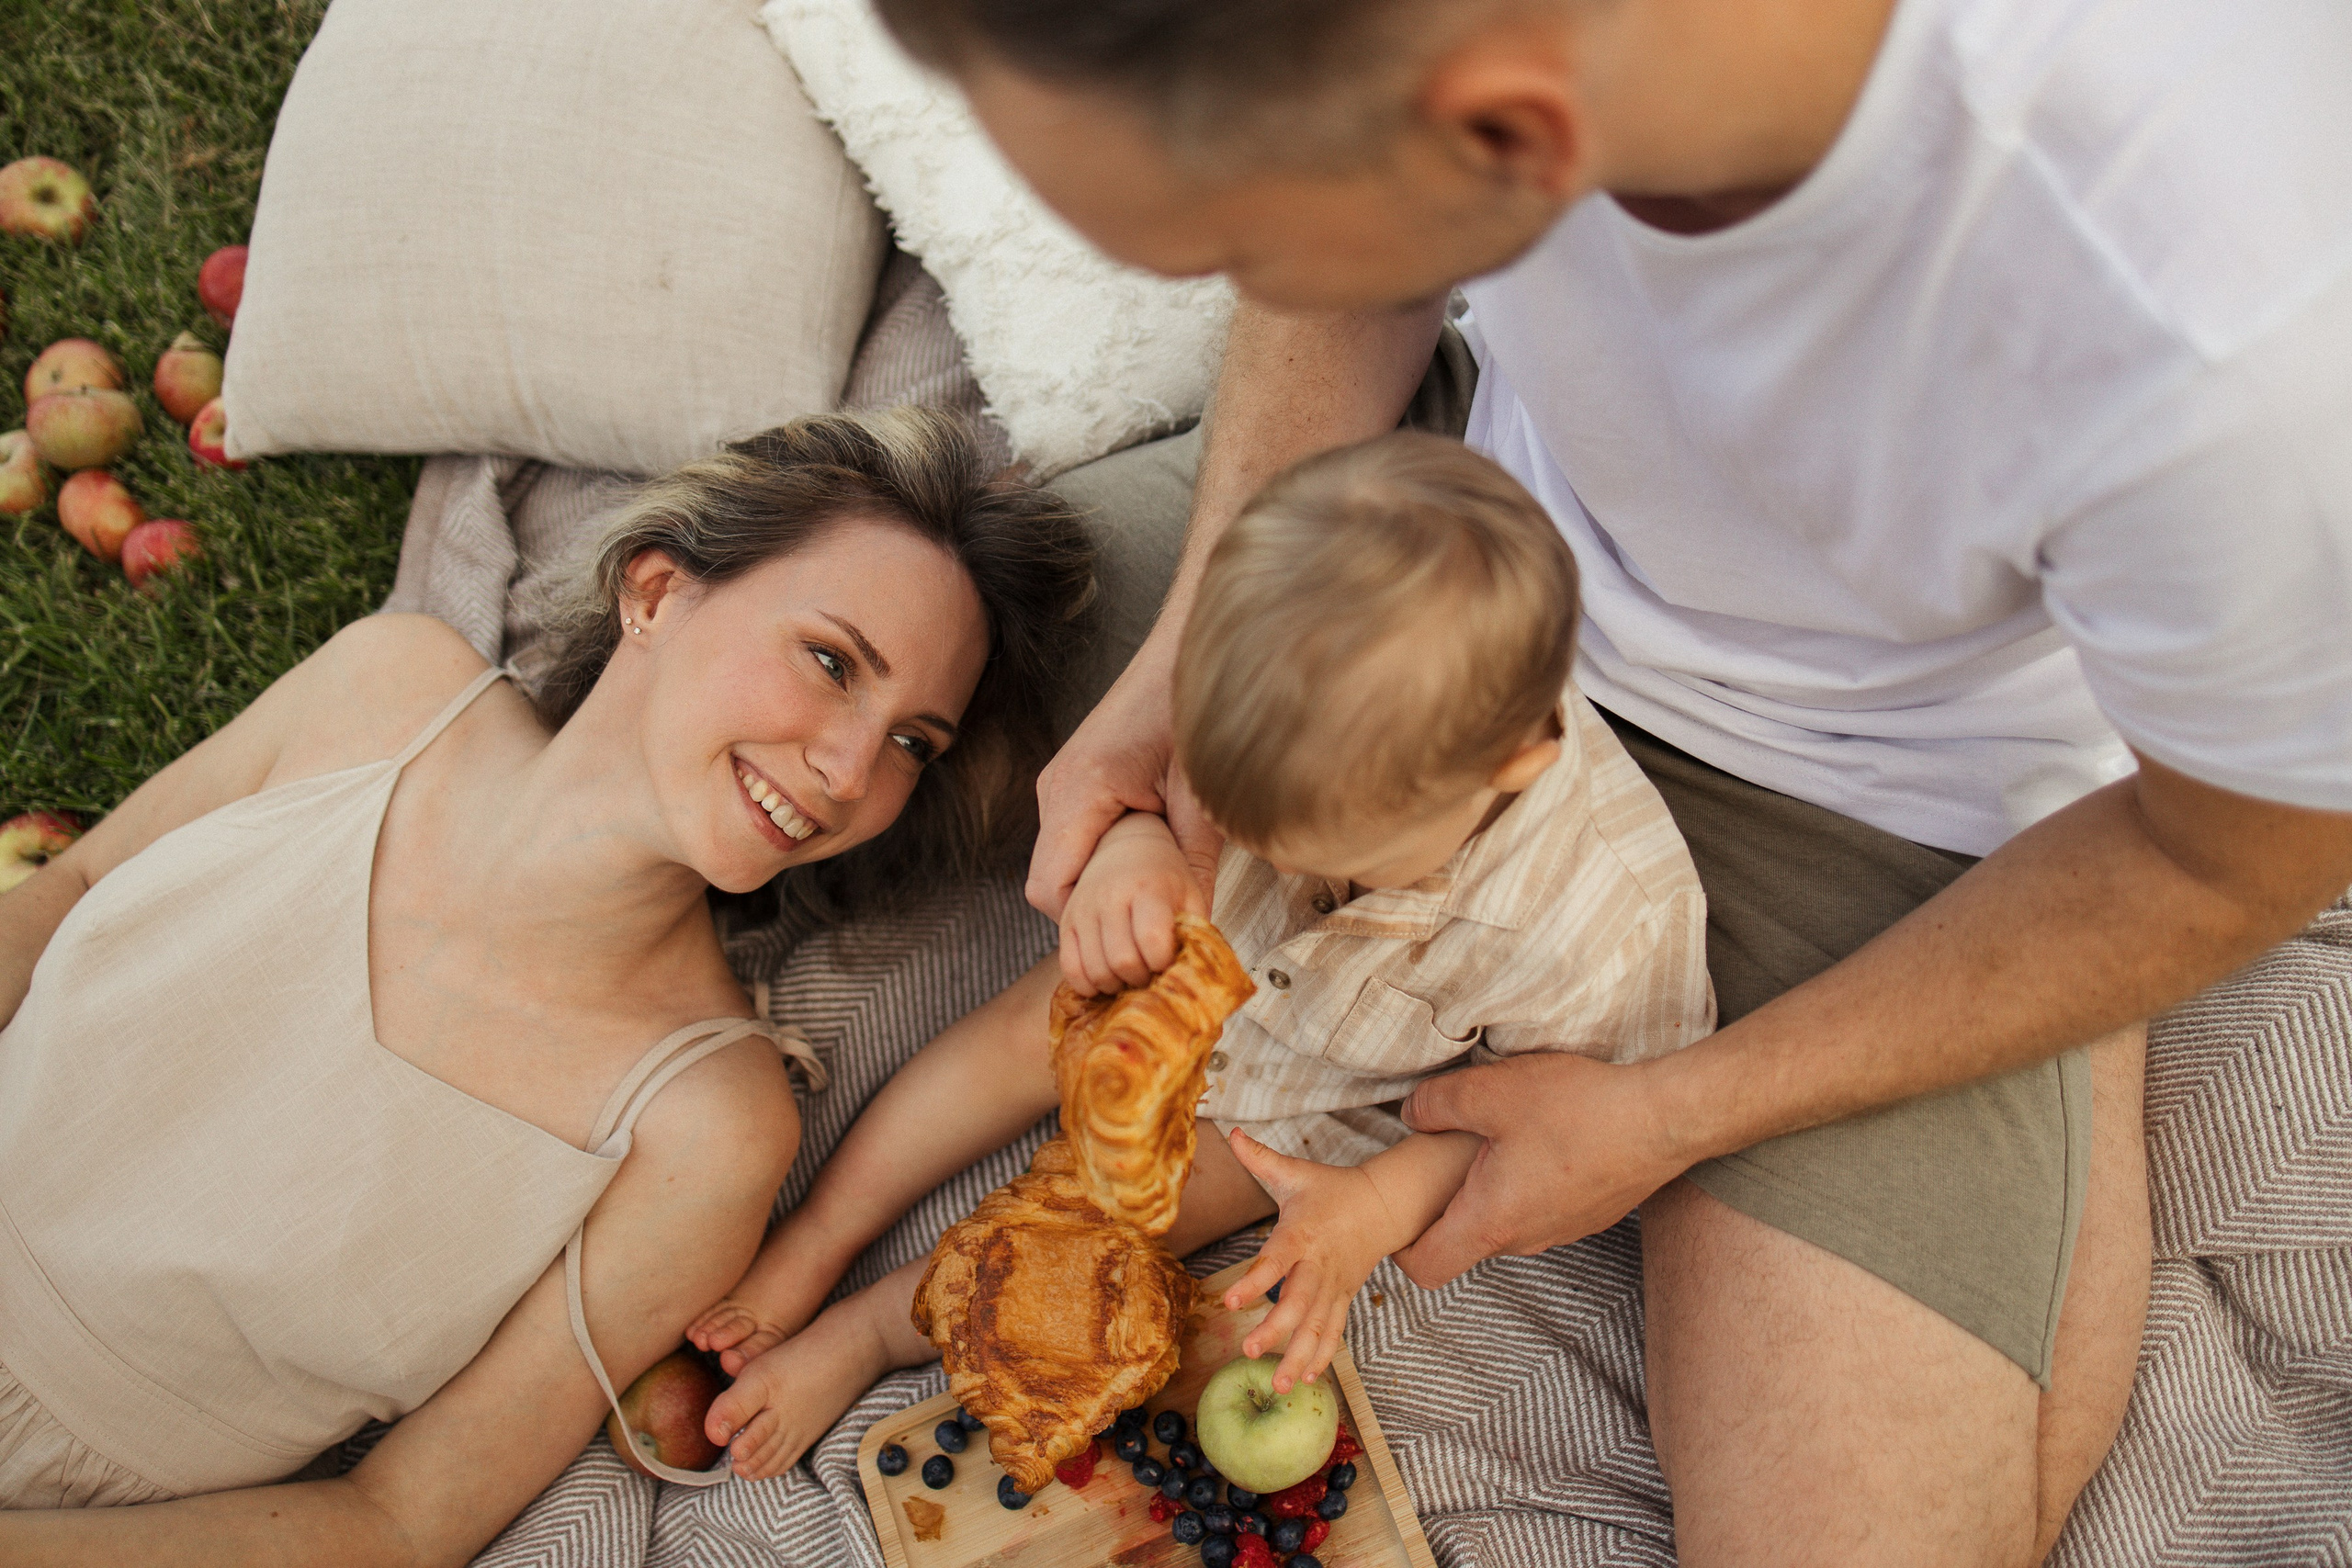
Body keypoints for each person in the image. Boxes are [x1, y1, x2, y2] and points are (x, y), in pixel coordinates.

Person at [863, 0, 2352, 1562]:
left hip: (1886, 811)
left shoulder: (2234, 351)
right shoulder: (1468, 89)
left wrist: (1668, 1114)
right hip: (1430, 567)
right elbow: (1353, 263)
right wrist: (1192, 653)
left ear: (1515, 136)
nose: (1247, 291)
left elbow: (2232, 861)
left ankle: (2070, 1002)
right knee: (873, 656)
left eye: (1246, 248)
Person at [0, 411, 1096, 1564]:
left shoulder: (708, 1125)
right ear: (658, 590)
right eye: (831, 662)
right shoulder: (389, 688)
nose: (849, 771)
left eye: (912, 745)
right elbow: (60, 889)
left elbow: (401, 1521)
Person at [686, 432, 1713, 1478]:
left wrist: (1377, 1203)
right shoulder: (1256, 661)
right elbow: (1143, 783)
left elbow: (1552, 1122)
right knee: (1018, 1035)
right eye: (1241, 813)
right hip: (1191, 953)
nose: (1270, 857)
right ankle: (819, 1234)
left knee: (1093, 1242)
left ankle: (864, 1330)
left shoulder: (1608, 923)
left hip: (1300, 1102)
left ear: (1513, 763)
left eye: (1332, 849)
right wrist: (1138, 846)